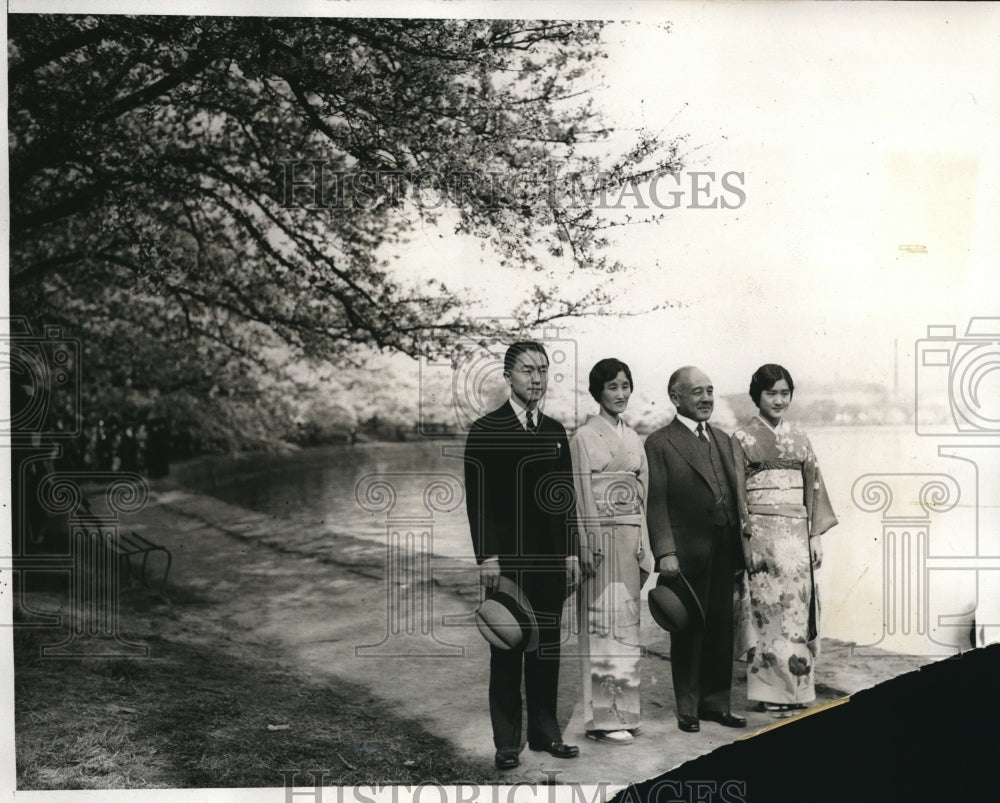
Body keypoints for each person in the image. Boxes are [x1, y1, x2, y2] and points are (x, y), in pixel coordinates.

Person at [463, 341, 581, 770]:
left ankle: (546, 733)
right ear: (508, 376)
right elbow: (479, 502)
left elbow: (564, 499)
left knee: (547, 647)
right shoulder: (486, 429)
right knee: (508, 647)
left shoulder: (554, 430)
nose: (537, 378)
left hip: (550, 560)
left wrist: (570, 554)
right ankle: (507, 741)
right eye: (528, 370)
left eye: (543, 370)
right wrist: (488, 557)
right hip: (508, 560)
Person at [731, 364, 838, 718]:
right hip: (761, 537)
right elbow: (737, 496)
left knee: (797, 609)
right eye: (771, 393)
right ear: (756, 397)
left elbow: (814, 489)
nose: (779, 400)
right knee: (766, 611)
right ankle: (768, 690)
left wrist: (814, 536)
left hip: (795, 537)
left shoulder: (800, 439)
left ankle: (797, 691)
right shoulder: (742, 438)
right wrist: (745, 540)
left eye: (784, 393)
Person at [644, 366, 747, 733]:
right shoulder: (659, 443)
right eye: (697, 392)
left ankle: (716, 703)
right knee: (688, 629)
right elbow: (655, 503)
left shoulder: (723, 439)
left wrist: (743, 548)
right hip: (685, 551)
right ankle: (687, 707)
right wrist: (664, 551)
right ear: (676, 398)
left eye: (710, 390)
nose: (706, 398)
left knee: (722, 628)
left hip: (725, 546)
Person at [570, 358, 653, 745]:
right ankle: (603, 720)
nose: (620, 394)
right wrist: (585, 543)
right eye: (612, 387)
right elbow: (581, 496)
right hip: (600, 536)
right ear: (597, 392)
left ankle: (626, 712)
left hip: (629, 535)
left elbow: (644, 496)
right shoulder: (583, 438)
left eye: (625, 386)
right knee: (602, 622)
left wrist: (645, 544)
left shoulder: (634, 439)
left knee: (626, 624)